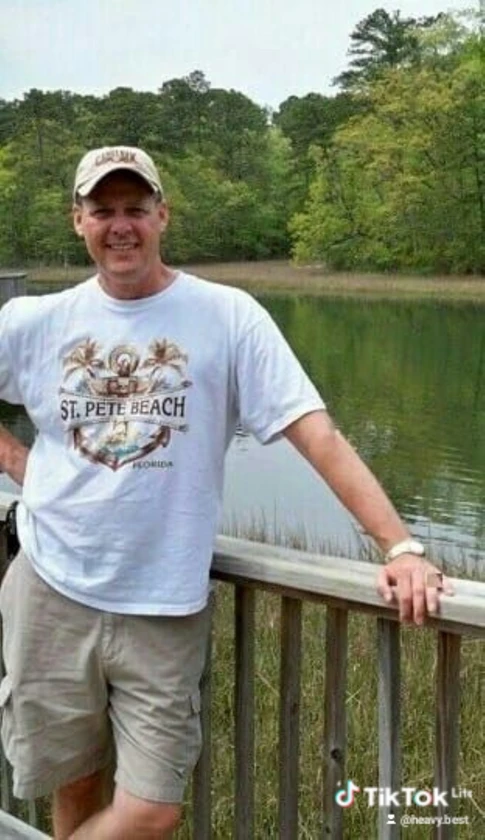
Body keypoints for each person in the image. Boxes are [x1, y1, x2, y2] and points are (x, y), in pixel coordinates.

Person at [0, 146, 452, 840]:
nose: (120, 225)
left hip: (163, 604)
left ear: (162, 215)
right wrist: (21, 464)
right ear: (78, 220)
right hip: (52, 586)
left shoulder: (227, 315)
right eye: (102, 210)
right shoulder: (36, 321)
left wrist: (400, 545)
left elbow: (315, 433)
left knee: (151, 810)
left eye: (135, 209)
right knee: (75, 779)